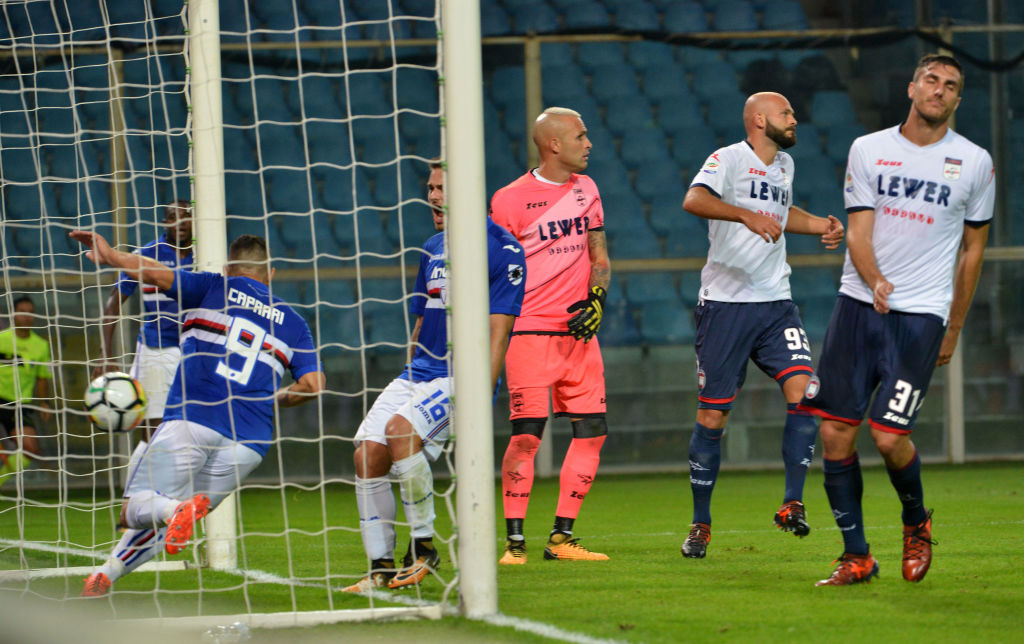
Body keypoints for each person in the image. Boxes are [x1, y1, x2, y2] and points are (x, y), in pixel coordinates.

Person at [803, 54, 994, 586]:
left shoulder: (975, 162)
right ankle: (856, 555)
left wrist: (953, 327)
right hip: (858, 306)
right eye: (931, 80)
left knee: (889, 437)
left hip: (922, 316)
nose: (939, 90)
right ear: (912, 88)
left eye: (951, 85)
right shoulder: (870, 149)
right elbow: (859, 232)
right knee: (837, 433)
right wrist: (876, 280)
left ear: (957, 100)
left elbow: (972, 252)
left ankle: (916, 519)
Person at [69, 231, 326, 596]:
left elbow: (155, 273)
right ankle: (105, 576)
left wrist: (112, 257)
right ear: (270, 273)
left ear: (227, 267)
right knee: (177, 515)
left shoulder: (210, 286)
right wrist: (273, 398)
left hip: (194, 417)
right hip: (249, 444)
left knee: (137, 508)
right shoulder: (294, 323)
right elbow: (314, 385)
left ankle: (174, 512)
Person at [343, 162, 525, 592]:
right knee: (367, 454)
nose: (433, 196)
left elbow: (499, 331)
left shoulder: (503, 249)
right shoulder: (431, 248)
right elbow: (421, 321)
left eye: (443, 187)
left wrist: (481, 393)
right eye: (430, 187)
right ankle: (381, 566)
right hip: (418, 372)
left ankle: (423, 548)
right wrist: (408, 369)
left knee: (399, 433)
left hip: (462, 376)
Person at [679, 92, 845, 559]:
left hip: (776, 304)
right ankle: (701, 523)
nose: (795, 119)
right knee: (713, 416)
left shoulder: (784, 167)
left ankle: (792, 502)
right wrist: (743, 214)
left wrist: (820, 226)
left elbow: (781, 213)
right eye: (786, 113)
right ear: (758, 119)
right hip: (726, 306)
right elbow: (693, 199)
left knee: (807, 394)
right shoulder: (727, 159)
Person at [489, 107, 612, 564]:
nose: (589, 143)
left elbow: (599, 256)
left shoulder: (589, 189)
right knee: (527, 437)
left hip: (580, 334)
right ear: (554, 144)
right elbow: (498, 272)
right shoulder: (508, 200)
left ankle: (562, 538)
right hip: (530, 334)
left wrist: (597, 299)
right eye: (581, 136)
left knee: (593, 431)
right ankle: (514, 543)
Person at [93, 200, 194, 509]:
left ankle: (169, 499)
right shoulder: (149, 252)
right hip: (156, 349)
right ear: (164, 222)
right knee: (155, 431)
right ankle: (134, 500)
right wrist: (104, 353)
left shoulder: (207, 255)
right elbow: (115, 299)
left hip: (196, 350)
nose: (180, 223)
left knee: (192, 430)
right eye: (173, 218)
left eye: (186, 217)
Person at [0, 296, 54, 490]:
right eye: (22, 312)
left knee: (30, 449)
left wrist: (44, 402)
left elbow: (42, 377)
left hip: (20, 404)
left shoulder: (41, 346)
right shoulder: (2, 339)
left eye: (29, 312)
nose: (26, 317)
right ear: (13, 314)